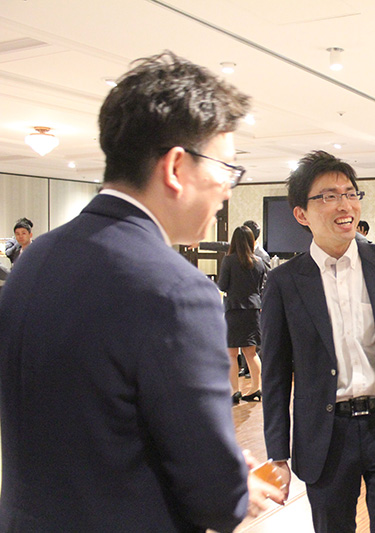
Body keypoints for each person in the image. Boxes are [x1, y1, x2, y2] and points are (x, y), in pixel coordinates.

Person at [0, 51, 284, 532]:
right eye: (226, 169)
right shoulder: (178, 292)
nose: (227, 190)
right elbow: (215, 498)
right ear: (176, 167)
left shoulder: (35, 259)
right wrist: (236, 484)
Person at [260, 150, 375, 532]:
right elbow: (275, 374)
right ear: (301, 214)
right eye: (329, 196)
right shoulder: (285, 282)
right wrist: (277, 454)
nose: (345, 205)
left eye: (350, 193)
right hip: (326, 435)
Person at [218, 225, 267, 404]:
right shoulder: (259, 262)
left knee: (231, 354)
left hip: (233, 309)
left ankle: (235, 392)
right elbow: (261, 287)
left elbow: (222, 285)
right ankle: (256, 388)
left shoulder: (229, 260)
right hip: (253, 310)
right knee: (251, 353)